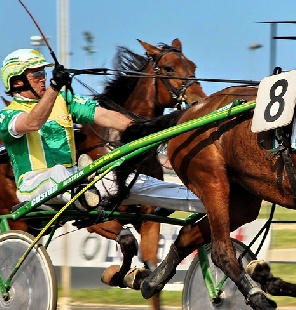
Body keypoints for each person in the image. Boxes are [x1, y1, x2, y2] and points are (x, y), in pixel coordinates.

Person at [0, 48, 206, 213]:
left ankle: (205, 203)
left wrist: (140, 128)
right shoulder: (7, 116)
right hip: (34, 185)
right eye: (36, 74)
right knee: (60, 172)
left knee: (134, 181)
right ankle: (87, 195)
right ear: (17, 81)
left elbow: (105, 115)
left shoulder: (64, 101)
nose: (43, 78)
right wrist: (55, 87)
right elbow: (32, 123)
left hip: (75, 178)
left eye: (44, 73)